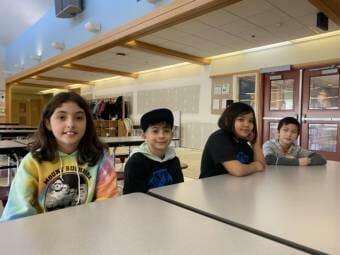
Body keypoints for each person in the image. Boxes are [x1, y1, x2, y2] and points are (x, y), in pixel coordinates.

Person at [1, 92, 117, 221]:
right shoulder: (33, 161)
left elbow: (107, 203)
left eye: (79, 118)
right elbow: (18, 213)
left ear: (87, 123)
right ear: (48, 123)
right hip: (42, 230)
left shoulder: (100, 158)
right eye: (62, 117)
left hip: (87, 228)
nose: (71, 124)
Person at [123, 108, 184, 194]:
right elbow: (132, 198)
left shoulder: (174, 161)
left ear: (172, 135)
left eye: (166, 131)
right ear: (144, 136)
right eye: (155, 131)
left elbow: (178, 191)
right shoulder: (136, 163)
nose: (161, 135)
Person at [200, 102, 265, 178]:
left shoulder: (241, 140)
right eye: (241, 119)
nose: (247, 124)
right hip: (212, 187)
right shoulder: (219, 138)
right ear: (229, 120)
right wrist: (255, 166)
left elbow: (262, 165)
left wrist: (255, 142)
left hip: (237, 185)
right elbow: (238, 170)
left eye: (250, 121)